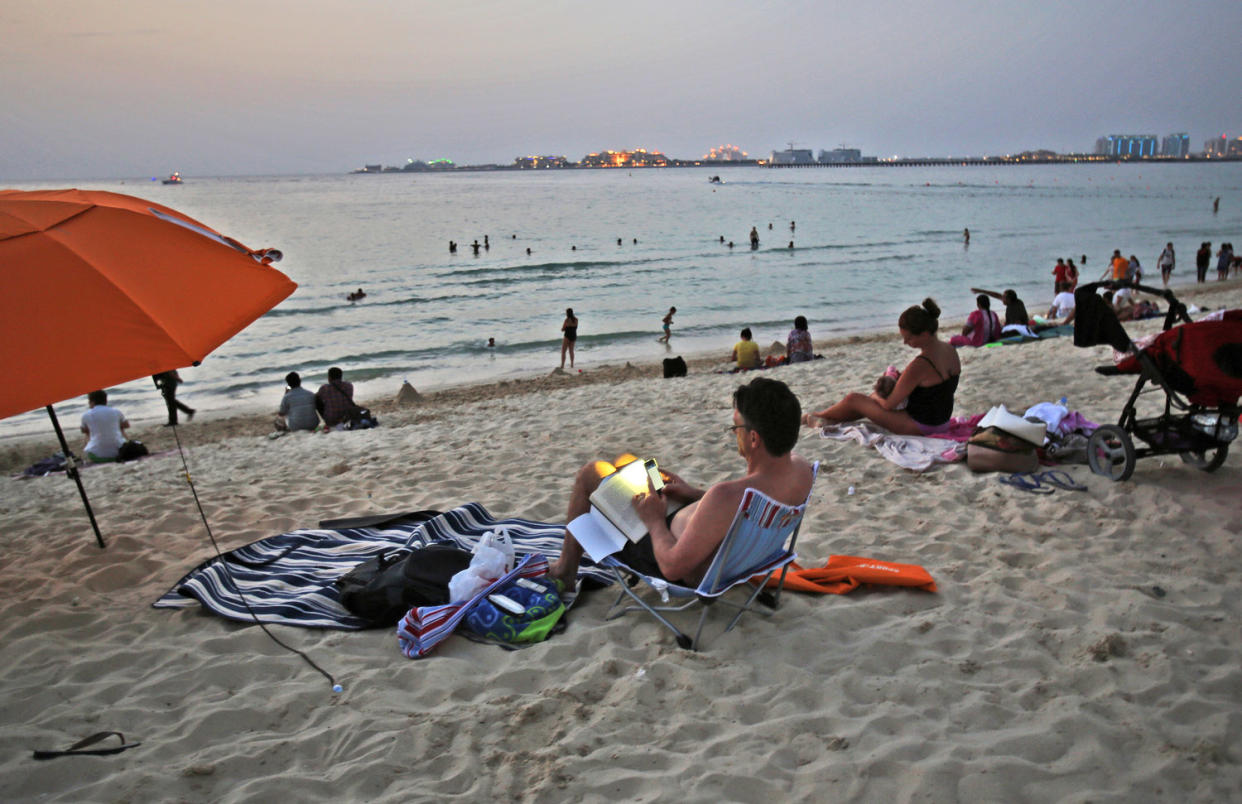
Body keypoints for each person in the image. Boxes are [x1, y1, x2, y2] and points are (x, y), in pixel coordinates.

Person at [547, 378, 815, 591]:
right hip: (728, 555)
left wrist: (653, 521)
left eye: (736, 428)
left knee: (590, 475)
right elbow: (738, 509)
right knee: (638, 468)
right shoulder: (801, 470)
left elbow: (672, 568)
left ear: (754, 439)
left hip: (672, 557)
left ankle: (565, 571)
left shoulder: (725, 495)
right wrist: (694, 495)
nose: (735, 435)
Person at [802, 298, 960, 435]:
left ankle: (819, 415)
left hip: (921, 426)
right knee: (863, 402)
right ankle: (825, 417)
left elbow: (888, 404)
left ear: (924, 334)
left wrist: (875, 395)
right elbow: (936, 390)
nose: (905, 343)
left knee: (854, 399)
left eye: (909, 338)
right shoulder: (950, 350)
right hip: (942, 422)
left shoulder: (921, 364)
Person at [80, 389, 130, 462]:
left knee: (88, 433)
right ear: (106, 400)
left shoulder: (86, 415)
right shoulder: (116, 412)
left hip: (96, 456)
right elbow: (127, 425)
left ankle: (88, 455)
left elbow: (83, 430)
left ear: (92, 402)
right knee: (121, 428)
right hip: (120, 452)